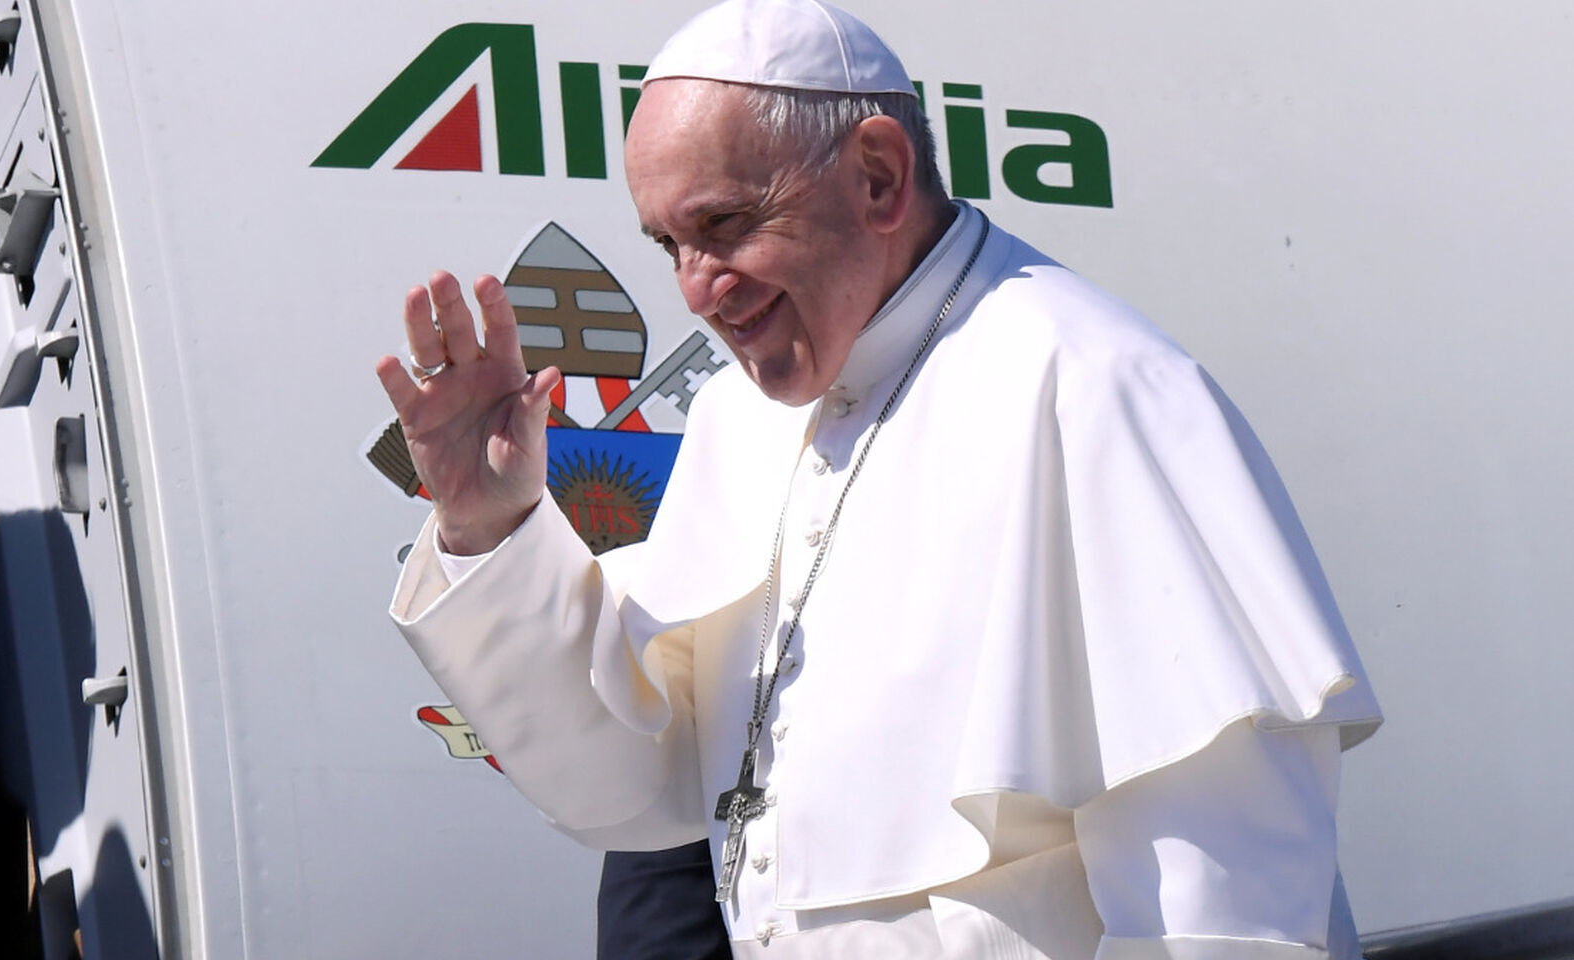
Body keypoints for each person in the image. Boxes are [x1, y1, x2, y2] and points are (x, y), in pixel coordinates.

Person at [375, 0, 1383, 956]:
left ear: (876, 176)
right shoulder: (740, 419)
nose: (693, 289)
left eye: (723, 225)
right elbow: (633, 783)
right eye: (667, 244)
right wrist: (489, 523)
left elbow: (1219, 901)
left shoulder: (1088, 385)